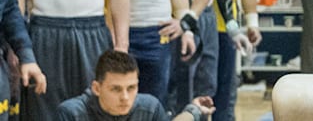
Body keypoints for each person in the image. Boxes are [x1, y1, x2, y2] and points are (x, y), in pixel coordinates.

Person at [57, 50, 213, 121]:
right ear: (97, 88)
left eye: (131, 88)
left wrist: (194, 110)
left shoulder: (149, 108)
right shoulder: (71, 113)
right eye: (116, 89)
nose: (125, 97)